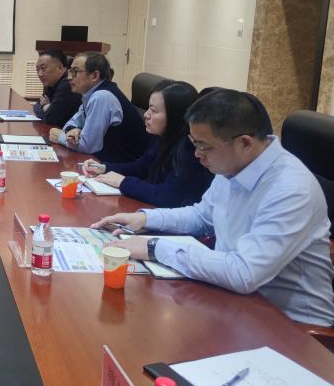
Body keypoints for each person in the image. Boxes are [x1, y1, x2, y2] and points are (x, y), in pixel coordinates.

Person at [94, 89, 334, 326]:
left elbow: (244, 273)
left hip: (292, 328)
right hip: (235, 302)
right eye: (194, 143)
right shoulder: (234, 165)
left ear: (244, 143)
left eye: (203, 146)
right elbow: (202, 216)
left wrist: (155, 247)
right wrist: (145, 219)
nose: (197, 154)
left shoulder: (290, 189)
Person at [81, 80, 212, 207]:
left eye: (153, 111)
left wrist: (123, 182)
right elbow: (141, 167)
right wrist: (104, 168)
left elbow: (169, 196)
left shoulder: (189, 148)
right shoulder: (162, 136)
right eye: (148, 108)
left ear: (175, 115)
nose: (146, 115)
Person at [48, 52, 150, 162]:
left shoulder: (101, 97)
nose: (69, 77)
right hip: (104, 161)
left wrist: (60, 137)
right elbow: (72, 122)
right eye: (70, 71)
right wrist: (73, 130)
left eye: (75, 72)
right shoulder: (90, 94)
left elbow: (87, 146)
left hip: (123, 167)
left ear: (95, 76)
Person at [33, 49, 81, 127]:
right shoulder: (51, 83)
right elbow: (36, 107)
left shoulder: (68, 84)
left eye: (43, 68)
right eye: (37, 70)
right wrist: (45, 107)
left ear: (60, 68)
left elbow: (50, 118)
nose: (40, 74)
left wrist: (47, 108)